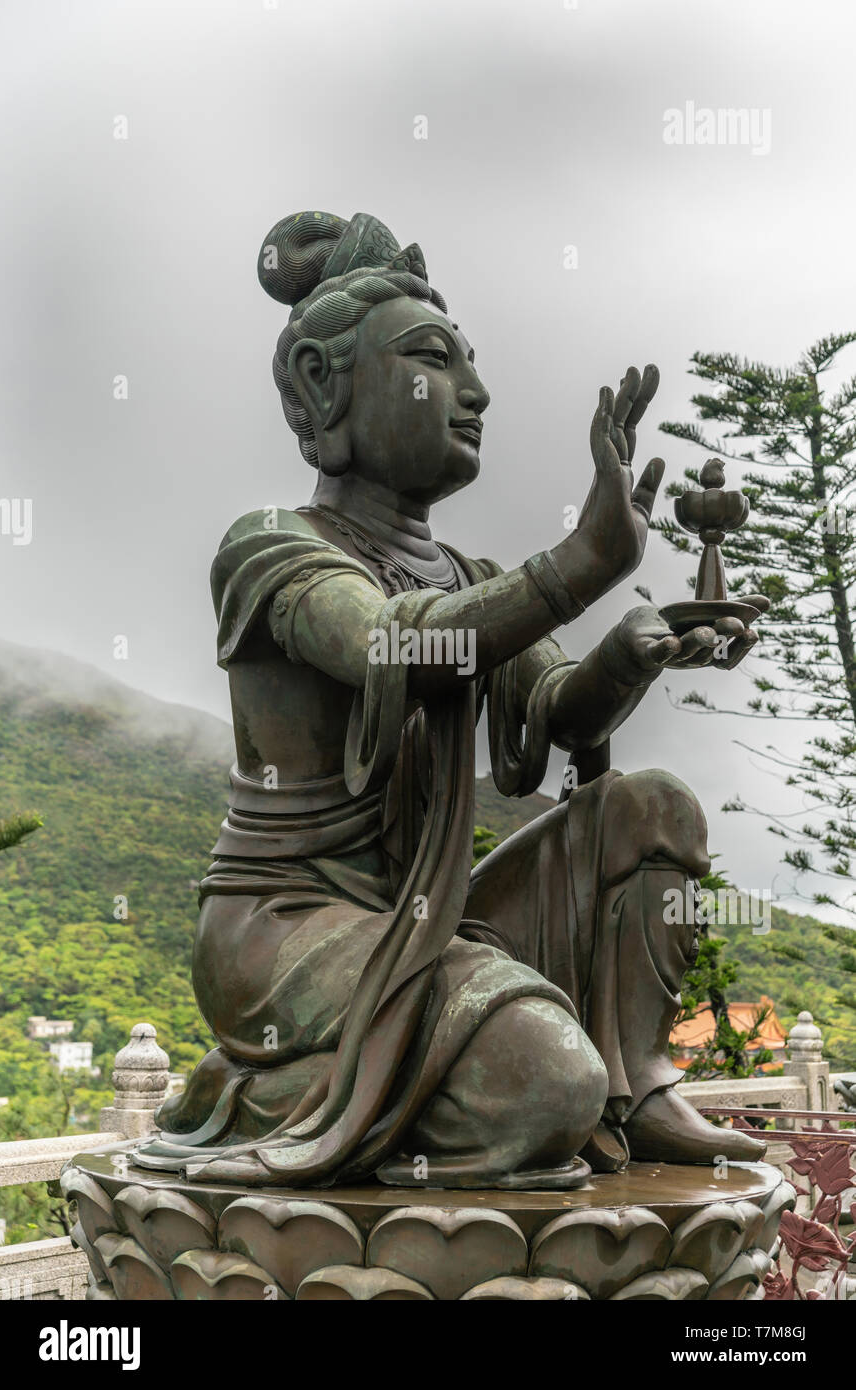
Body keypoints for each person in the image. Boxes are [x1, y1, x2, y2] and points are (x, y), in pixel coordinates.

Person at [136, 211, 766, 1189]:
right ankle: (266, 1085)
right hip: (290, 929)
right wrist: (579, 564)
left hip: (431, 917)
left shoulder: (470, 573)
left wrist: (630, 650)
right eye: (435, 360)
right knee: (549, 1083)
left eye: (472, 364)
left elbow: (558, 714)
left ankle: (637, 1084)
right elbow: (398, 642)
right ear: (321, 381)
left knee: (653, 807)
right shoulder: (270, 545)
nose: (475, 393)